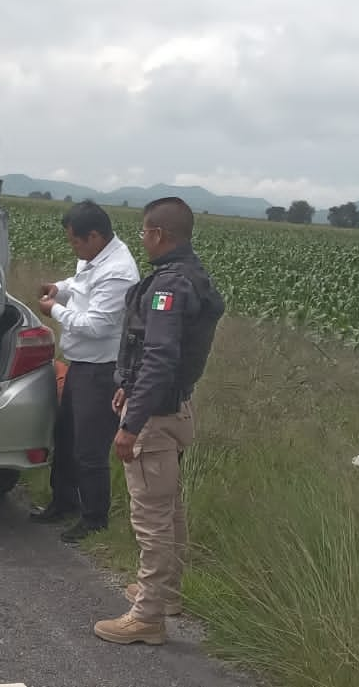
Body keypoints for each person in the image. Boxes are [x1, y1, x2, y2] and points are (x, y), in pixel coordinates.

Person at [93, 196, 225, 646]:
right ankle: (164, 594)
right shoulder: (195, 276)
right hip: (177, 406)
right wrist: (128, 385)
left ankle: (147, 616)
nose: (142, 239)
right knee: (170, 510)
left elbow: (160, 355)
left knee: (150, 518)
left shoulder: (168, 286)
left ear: (158, 235)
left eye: (144, 232)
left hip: (156, 415)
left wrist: (132, 423)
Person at [32, 201, 141, 543]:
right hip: (81, 366)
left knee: (89, 450)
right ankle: (63, 502)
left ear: (94, 235)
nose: (73, 248)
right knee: (65, 438)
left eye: (75, 241)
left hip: (102, 371)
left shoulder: (118, 272)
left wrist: (55, 310)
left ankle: (94, 519)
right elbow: (79, 285)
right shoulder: (94, 257)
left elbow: (95, 325)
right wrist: (59, 288)